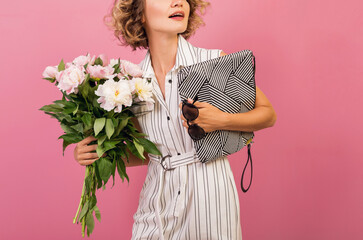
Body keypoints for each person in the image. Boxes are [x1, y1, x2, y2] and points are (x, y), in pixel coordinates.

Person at [74, 0, 277, 239]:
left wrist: (221, 120)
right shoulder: (131, 84)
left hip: (209, 197)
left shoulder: (214, 62)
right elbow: (148, 152)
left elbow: (268, 114)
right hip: (156, 200)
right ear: (140, 14)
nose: (177, 1)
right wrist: (98, 153)